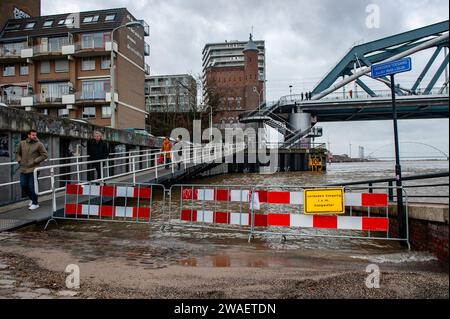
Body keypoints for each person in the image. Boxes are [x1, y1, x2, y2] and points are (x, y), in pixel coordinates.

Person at [15, 129, 48, 211]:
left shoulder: (39, 144)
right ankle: (32, 199)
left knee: (32, 186)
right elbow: (17, 152)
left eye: (35, 135)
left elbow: (45, 155)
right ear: (28, 135)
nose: (35, 136)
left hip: (34, 169)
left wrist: (35, 161)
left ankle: (35, 203)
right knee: (23, 185)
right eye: (33, 135)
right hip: (23, 168)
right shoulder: (22, 143)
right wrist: (19, 160)